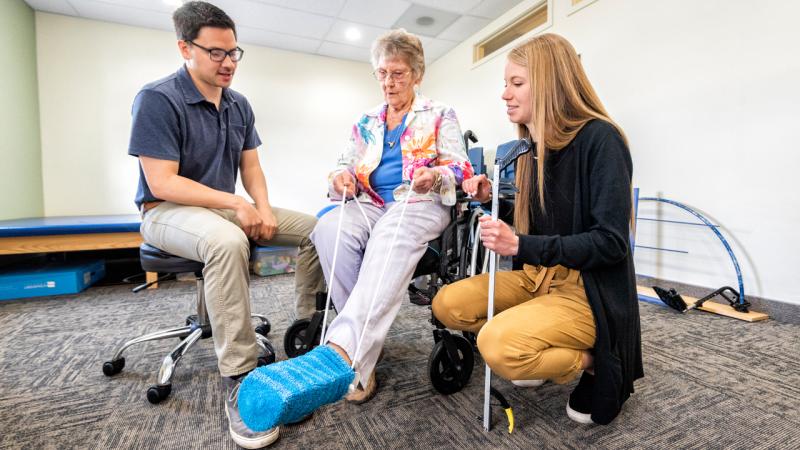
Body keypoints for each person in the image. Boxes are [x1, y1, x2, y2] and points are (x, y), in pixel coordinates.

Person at [127, 2, 324, 447]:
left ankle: (308, 330)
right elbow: (163, 181)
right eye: (216, 53)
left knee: (319, 228)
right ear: (185, 48)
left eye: (234, 52)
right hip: (165, 211)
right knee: (226, 241)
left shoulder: (239, 104)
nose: (229, 62)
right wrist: (236, 204)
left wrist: (264, 206)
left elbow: (251, 166)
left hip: (219, 207)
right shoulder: (158, 98)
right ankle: (239, 377)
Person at [432, 33, 643, 425]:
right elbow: (546, 221)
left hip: (586, 289)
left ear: (548, 83)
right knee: (447, 304)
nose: (504, 94)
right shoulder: (532, 147)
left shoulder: (602, 140)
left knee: (496, 344)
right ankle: (538, 342)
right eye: (505, 84)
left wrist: (520, 245)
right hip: (536, 277)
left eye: (516, 83)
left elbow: (611, 243)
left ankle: (596, 360)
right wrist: (492, 199)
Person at [308, 29, 474, 403]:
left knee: (389, 233)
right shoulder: (366, 120)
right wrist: (340, 177)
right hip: (370, 203)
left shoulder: (439, 114)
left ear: (417, 74)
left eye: (398, 73)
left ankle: (350, 356)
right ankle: (366, 340)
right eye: (382, 73)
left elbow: (462, 169)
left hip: (418, 203)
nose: (388, 82)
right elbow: (341, 165)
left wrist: (436, 176)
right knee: (328, 228)